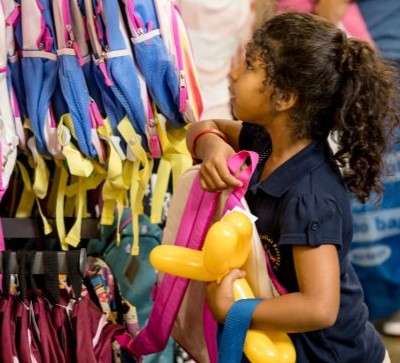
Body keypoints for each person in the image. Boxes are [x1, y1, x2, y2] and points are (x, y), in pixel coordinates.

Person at [186, 12, 399, 363]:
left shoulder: (308, 197)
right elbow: (202, 127)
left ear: (284, 97)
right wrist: (212, 145)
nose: (234, 72)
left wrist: (234, 312)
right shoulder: (263, 142)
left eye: (250, 66)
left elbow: (319, 308)